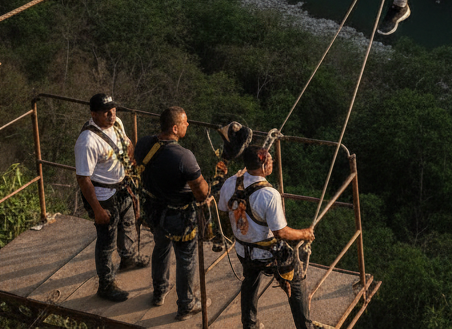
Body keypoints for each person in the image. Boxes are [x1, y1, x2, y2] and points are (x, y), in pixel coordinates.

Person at [217, 144, 316, 329]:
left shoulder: (231, 182)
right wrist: (305, 234)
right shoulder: (269, 194)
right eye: (270, 161)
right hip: (267, 255)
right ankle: (305, 327)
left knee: (250, 280)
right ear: (263, 167)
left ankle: (250, 324)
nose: (272, 163)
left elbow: (223, 208)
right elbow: (281, 232)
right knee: (297, 283)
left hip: (242, 250)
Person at [134, 106, 210, 319]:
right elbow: (202, 193)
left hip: (154, 210)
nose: (188, 124)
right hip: (179, 216)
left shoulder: (144, 144)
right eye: (185, 122)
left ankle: (159, 291)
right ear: (175, 128)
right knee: (186, 258)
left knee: (161, 248)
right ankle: (186, 304)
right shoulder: (183, 156)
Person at [74, 92, 148, 303]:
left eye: (113, 109)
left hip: (122, 186)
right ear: (93, 114)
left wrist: (131, 162)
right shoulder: (87, 142)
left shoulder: (117, 124)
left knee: (127, 223)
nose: (111, 114)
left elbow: (127, 143)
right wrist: (97, 209)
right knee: (106, 239)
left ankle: (128, 258)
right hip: (103, 194)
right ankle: (106, 284)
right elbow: (83, 179)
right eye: (106, 111)